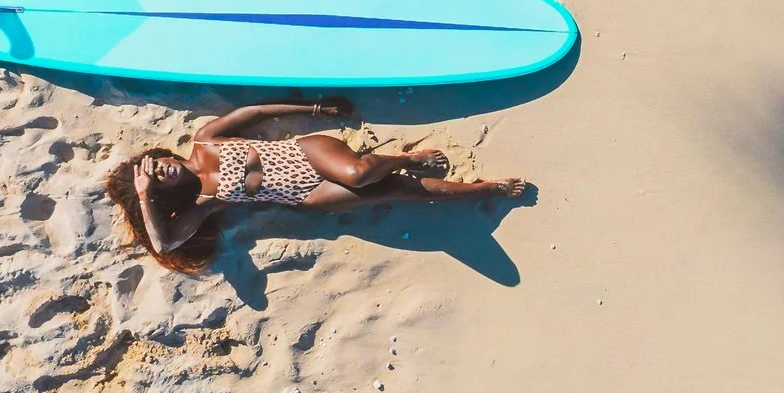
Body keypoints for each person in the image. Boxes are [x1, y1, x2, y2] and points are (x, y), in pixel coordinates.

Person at [101, 98, 527, 272]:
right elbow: (167, 243)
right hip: (302, 195)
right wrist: (143, 197)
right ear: (161, 192)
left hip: (305, 153)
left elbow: (254, 113)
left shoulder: (205, 140)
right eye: (156, 181)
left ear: (164, 155)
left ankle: (403, 158)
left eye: (157, 165)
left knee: (360, 173)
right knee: (394, 191)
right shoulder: (204, 201)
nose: (163, 172)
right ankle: (486, 189)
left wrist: (316, 107)